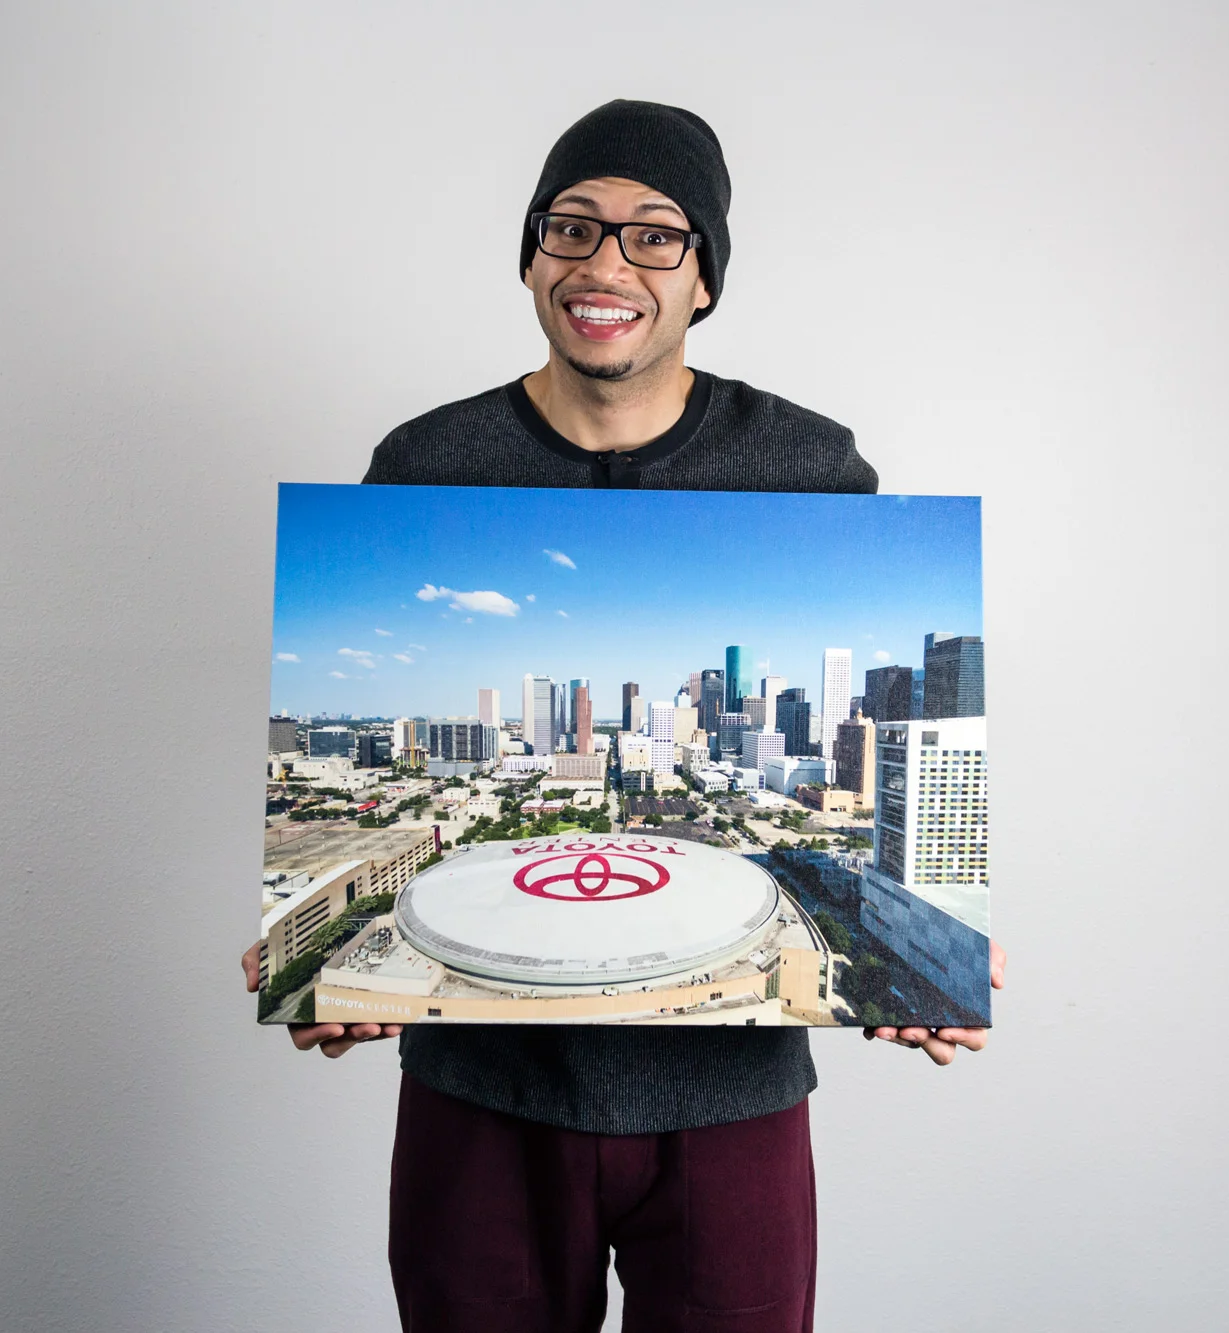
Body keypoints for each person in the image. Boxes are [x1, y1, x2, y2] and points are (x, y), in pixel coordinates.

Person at [240, 99, 1007, 1333]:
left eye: (654, 235)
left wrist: (930, 954)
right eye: (572, 227)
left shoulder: (809, 469)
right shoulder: (428, 460)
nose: (605, 265)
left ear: (703, 277)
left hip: (731, 1094)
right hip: (480, 1085)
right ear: (530, 254)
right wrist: (319, 964)